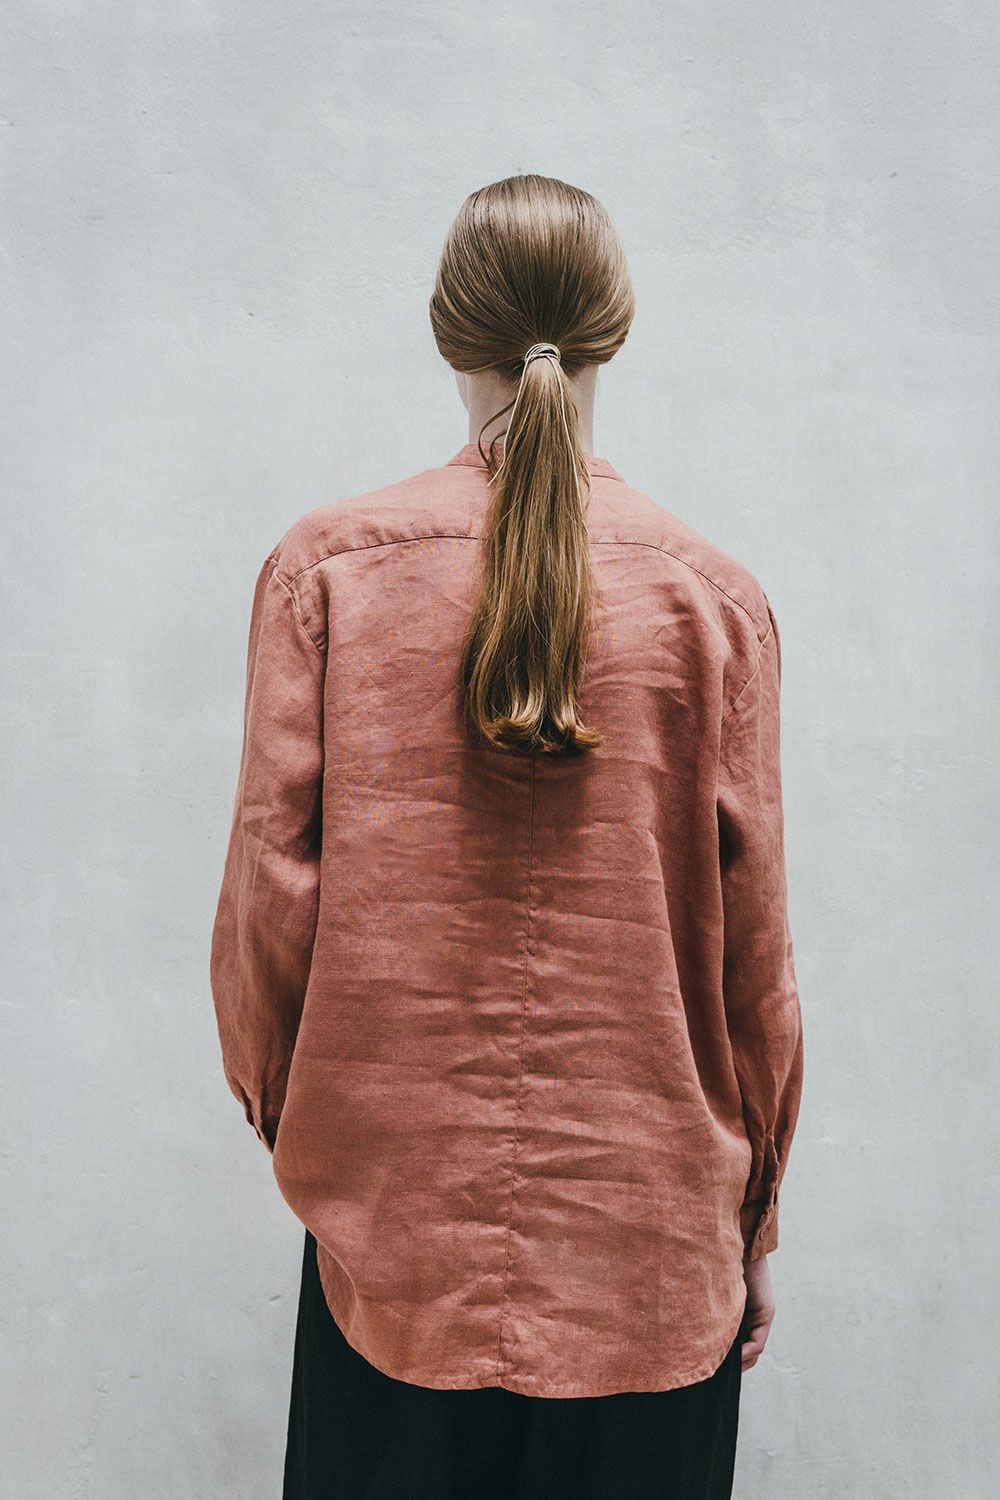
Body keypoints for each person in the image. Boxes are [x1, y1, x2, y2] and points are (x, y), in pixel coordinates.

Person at [209, 172, 805, 1499]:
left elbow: (268, 906)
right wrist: (755, 1217)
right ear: (612, 329)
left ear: (449, 329)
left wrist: (318, 1134)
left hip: (391, 1263)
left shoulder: (326, 575)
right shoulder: (715, 604)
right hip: (655, 1266)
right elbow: (753, 967)